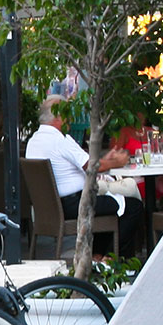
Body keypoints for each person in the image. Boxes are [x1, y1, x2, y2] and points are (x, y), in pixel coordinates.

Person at [25, 99, 144, 253]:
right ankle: (112, 258)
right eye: (67, 113)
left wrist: (106, 160)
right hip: (76, 204)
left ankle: (97, 256)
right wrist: (117, 162)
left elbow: (85, 163)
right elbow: (93, 167)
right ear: (58, 115)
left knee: (108, 202)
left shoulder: (34, 140)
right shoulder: (60, 140)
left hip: (53, 207)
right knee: (133, 207)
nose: (70, 119)